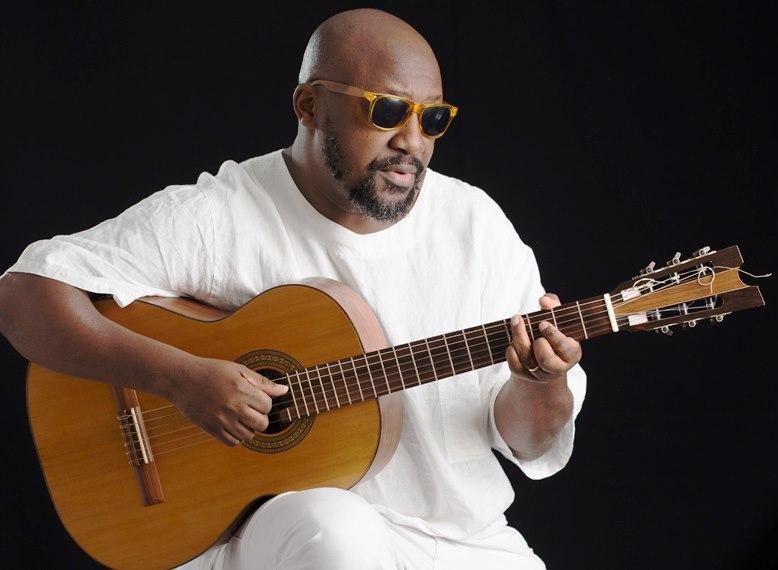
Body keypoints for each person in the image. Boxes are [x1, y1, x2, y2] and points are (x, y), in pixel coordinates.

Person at [0, 8, 586, 570]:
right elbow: (22, 297)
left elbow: (529, 443)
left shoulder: (475, 225)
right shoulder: (222, 215)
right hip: (288, 542)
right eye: (387, 111)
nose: (412, 141)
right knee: (338, 533)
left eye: (432, 119)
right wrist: (179, 378)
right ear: (310, 106)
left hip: (460, 541)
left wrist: (542, 382)